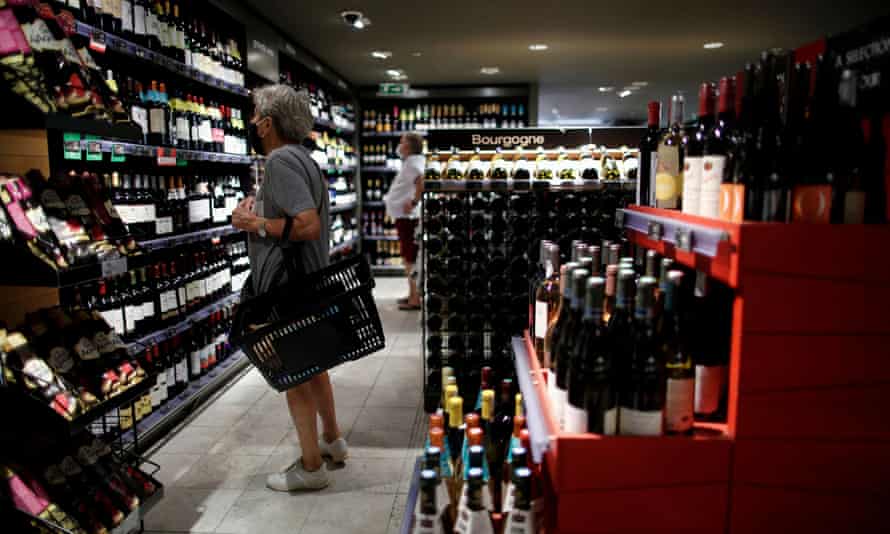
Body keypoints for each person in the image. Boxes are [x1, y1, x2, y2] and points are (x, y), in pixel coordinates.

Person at [232, 84, 346, 491]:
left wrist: (253, 224)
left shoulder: (280, 160)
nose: (249, 124)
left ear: (267, 123)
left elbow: (307, 224)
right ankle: (333, 442)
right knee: (315, 367)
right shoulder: (304, 159)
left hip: (289, 289)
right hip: (308, 283)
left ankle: (311, 469)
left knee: (294, 374)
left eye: (254, 117)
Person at [383, 132, 425, 310]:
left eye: (402, 142)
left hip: (408, 218)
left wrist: (414, 201)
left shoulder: (414, 162)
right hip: (406, 218)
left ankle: (415, 299)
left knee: (410, 258)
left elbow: (422, 181)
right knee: (410, 257)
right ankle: (412, 294)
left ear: (409, 145)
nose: (399, 145)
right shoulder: (412, 161)